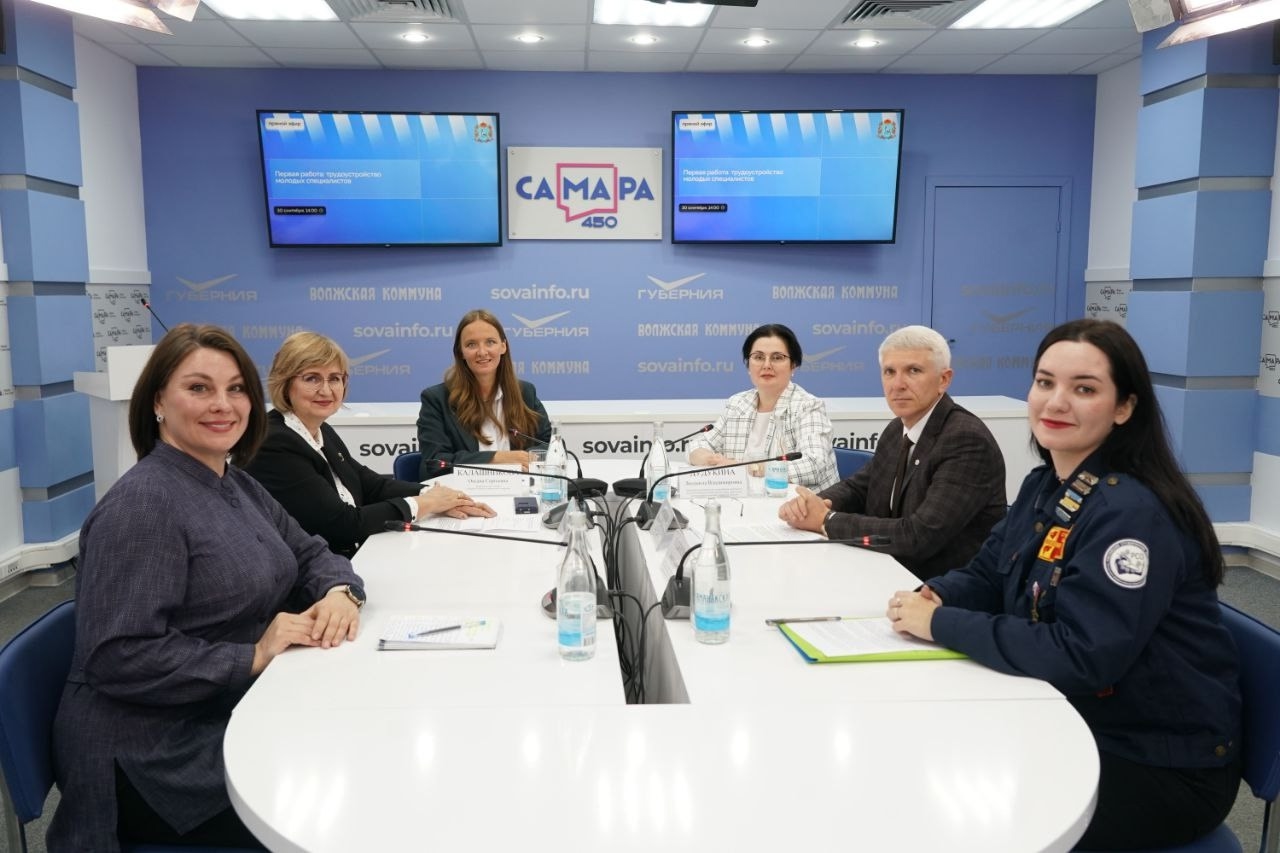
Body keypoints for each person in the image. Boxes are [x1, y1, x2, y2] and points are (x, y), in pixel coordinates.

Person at [887, 319, 1241, 850]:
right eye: (1045, 382)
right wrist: (939, 594)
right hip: (1074, 714)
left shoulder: (1130, 513)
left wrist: (941, 623)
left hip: (1157, 761)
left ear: (1124, 407)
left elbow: (1081, 654)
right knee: (920, 754)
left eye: (1085, 389)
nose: (1056, 402)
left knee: (951, 806)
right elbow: (988, 572)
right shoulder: (1046, 484)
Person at [49, 324, 366, 851]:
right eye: (199, 388)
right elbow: (117, 656)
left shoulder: (233, 480)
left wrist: (340, 593)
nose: (223, 404)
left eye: (236, 389)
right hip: (154, 754)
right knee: (349, 789)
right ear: (158, 401)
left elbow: (311, 551)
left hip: (225, 707)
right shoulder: (143, 506)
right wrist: (253, 655)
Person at [778, 325, 1005, 581]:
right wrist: (813, 504)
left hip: (941, 588)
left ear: (944, 379)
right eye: (889, 372)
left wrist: (826, 520)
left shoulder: (965, 440)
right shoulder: (897, 429)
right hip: (890, 571)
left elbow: (919, 535)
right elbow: (859, 488)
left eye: (913, 371)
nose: (898, 384)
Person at [245, 331, 494, 557]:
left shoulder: (320, 429)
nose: (326, 390)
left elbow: (369, 484)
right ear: (285, 382)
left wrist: (435, 495)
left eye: (335, 378)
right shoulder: (274, 443)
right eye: (312, 379)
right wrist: (425, 504)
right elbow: (344, 524)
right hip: (313, 574)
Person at [687, 323, 838, 490]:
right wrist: (712, 460)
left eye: (777, 357)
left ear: (793, 365)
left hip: (798, 503)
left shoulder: (808, 406)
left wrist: (747, 468)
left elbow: (814, 466)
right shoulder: (738, 404)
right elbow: (696, 446)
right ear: (748, 365)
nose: (766, 365)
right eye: (758, 357)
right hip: (745, 500)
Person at [417, 308, 551, 479]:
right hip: (462, 492)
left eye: (490, 342)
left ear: (503, 346)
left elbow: (549, 446)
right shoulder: (437, 399)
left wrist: (529, 459)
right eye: (471, 344)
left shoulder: (525, 392)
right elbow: (433, 464)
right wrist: (497, 458)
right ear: (460, 352)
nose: (482, 352)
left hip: (521, 488)